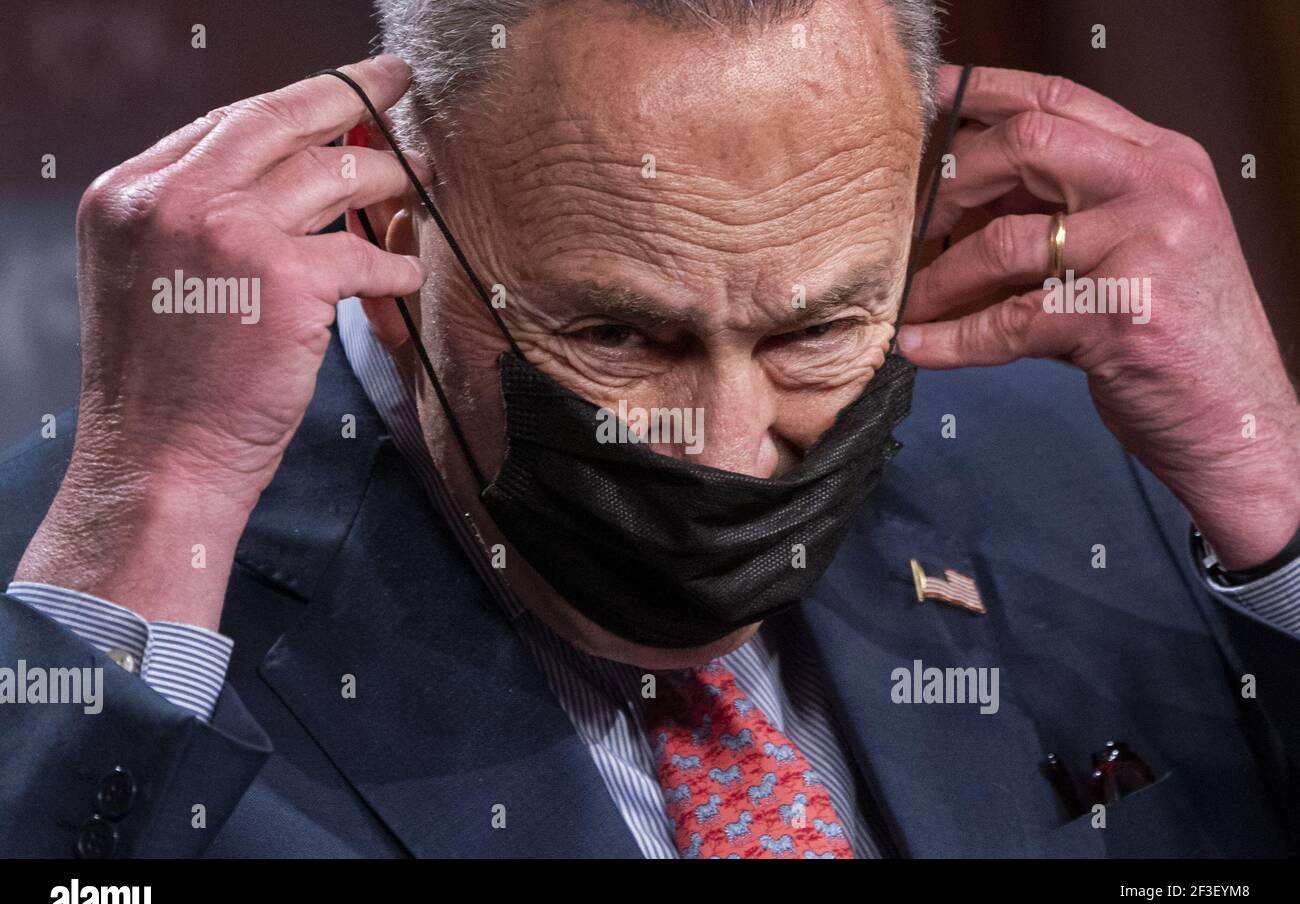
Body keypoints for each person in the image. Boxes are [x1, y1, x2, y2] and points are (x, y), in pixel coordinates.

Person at [1, 0, 1297, 858]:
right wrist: (155, 500)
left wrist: (1268, 475)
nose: (732, 445)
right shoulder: (80, 593)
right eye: (623, 336)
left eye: (812, 328)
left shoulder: (1094, 460)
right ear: (393, 233)